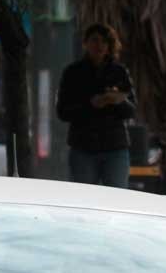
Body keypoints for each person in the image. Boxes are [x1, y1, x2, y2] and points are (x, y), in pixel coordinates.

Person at [57, 24, 136, 188]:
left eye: (104, 42)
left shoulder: (119, 72)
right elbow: (62, 112)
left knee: (117, 198)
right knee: (84, 199)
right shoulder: (73, 73)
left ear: (109, 45)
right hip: (83, 147)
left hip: (115, 147)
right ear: (85, 43)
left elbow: (132, 110)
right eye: (94, 41)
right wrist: (90, 104)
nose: (99, 46)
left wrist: (117, 101)